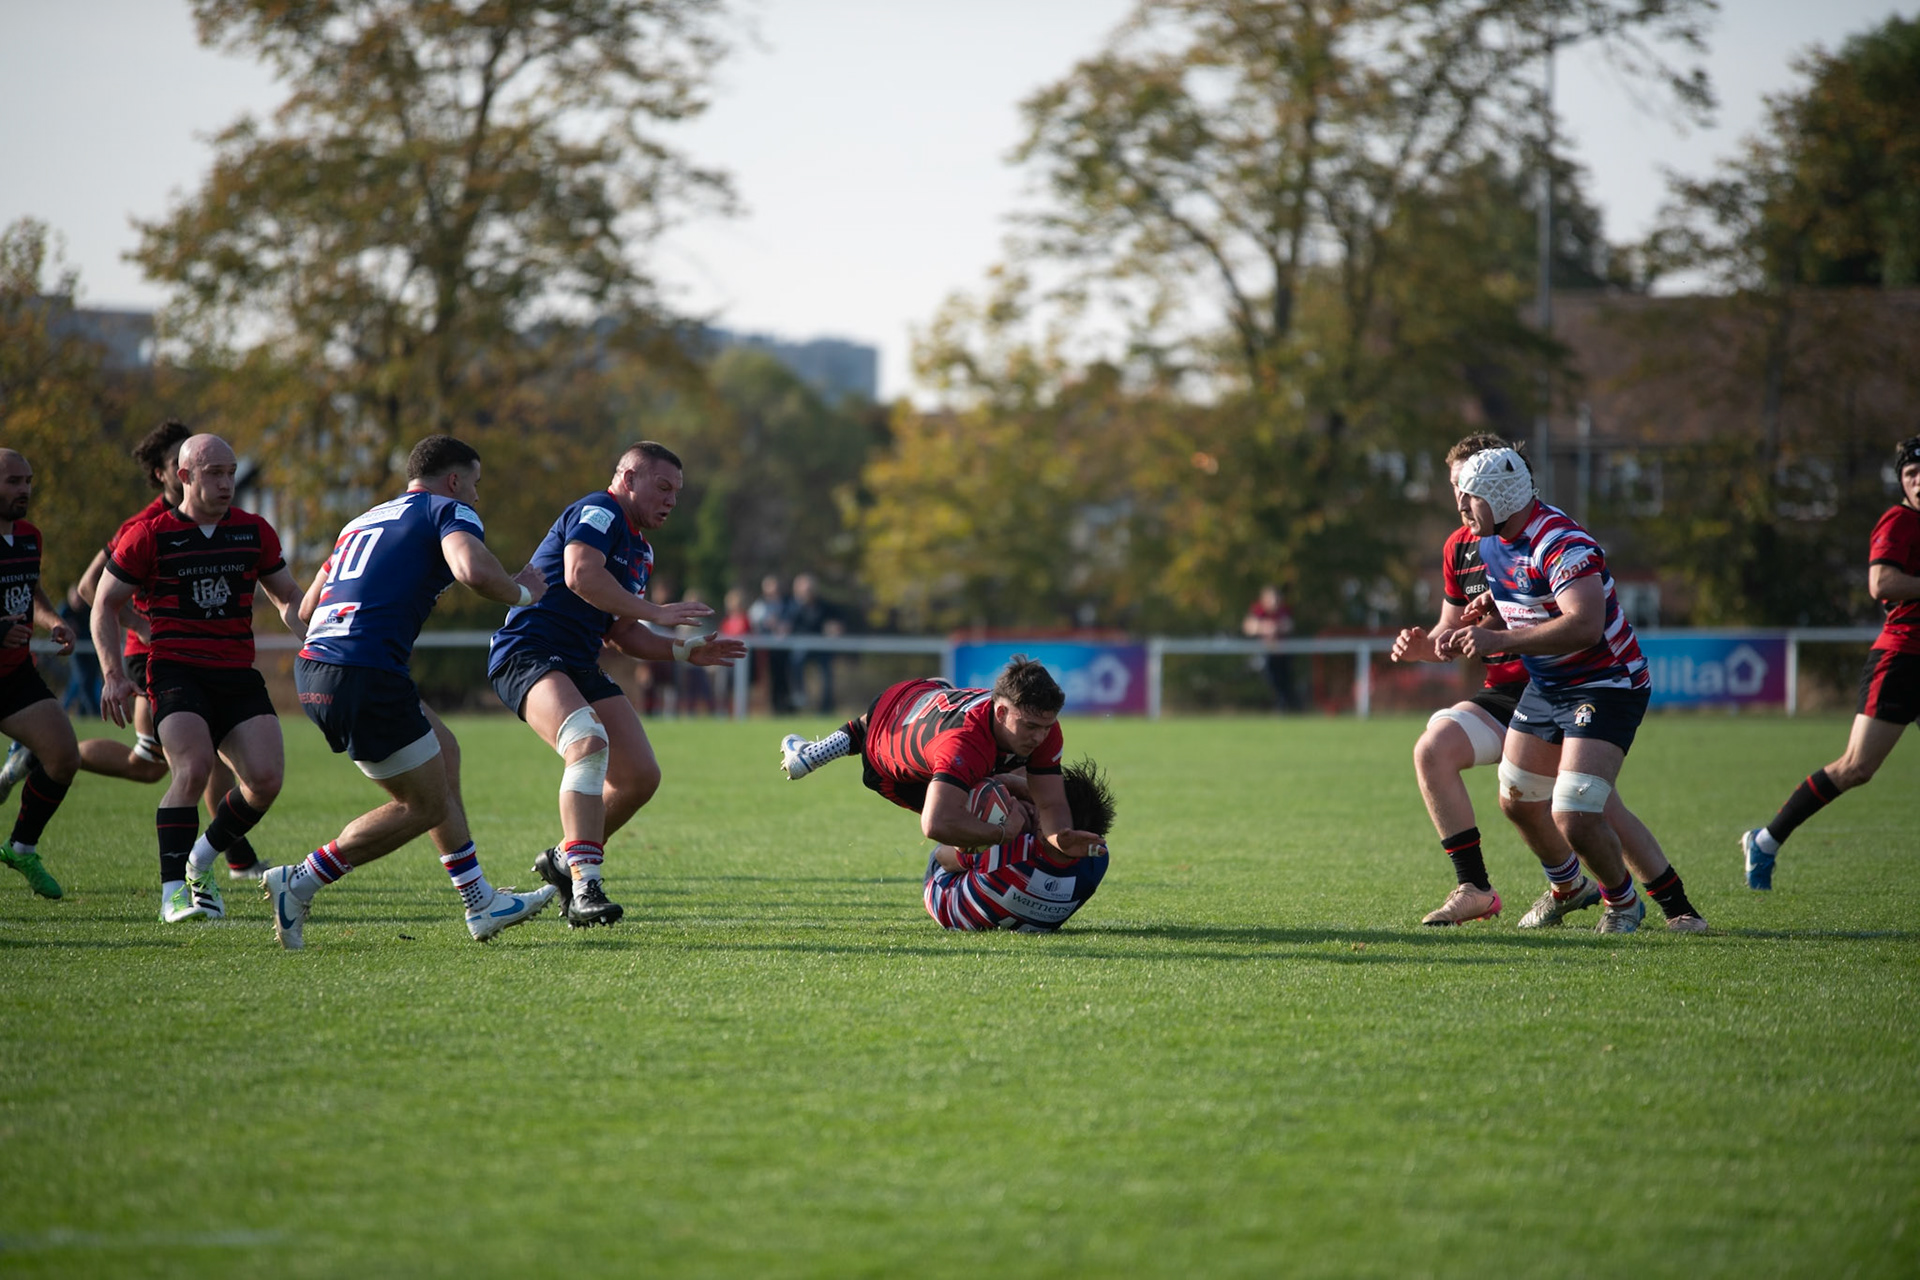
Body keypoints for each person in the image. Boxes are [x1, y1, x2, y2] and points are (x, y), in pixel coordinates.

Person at [1393, 435, 1706, 933]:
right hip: (1548, 684)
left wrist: (1497, 639)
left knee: (1578, 809)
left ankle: (1634, 905)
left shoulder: (1561, 542)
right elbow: (1519, 600)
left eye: (1468, 495)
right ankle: (1580, 890)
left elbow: (1584, 624)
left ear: (1498, 496)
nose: (1459, 506)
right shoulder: (1488, 541)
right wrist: (1478, 622)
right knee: (1517, 799)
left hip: (1605, 682)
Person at [262, 435, 557, 949]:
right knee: (424, 805)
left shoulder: (361, 521)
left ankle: (480, 902)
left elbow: (304, 613)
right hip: (364, 672)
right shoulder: (446, 510)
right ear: (453, 480)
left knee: (444, 754)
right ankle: (301, 879)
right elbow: (471, 570)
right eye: (475, 484)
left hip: (319, 668)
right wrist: (525, 590)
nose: (477, 498)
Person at [487, 442, 746, 927]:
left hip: (577, 663)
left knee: (639, 776)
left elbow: (622, 633)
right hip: (529, 652)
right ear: (628, 479)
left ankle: (565, 860)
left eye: (677, 492)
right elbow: (580, 575)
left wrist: (683, 650)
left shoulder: (640, 548)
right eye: (662, 487)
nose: (671, 500)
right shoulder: (599, 510)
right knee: (586, 742)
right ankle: (585, 885)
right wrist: (657, 611)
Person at [16, 421, 267, 880]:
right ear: (168, 474)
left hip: (191, 657)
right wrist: (140, 624)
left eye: (223, 470)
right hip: (148, 655)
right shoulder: (144, 526)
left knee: (150, 764)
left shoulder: (227, 523)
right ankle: (232, 859)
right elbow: (89, 589)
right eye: (182, 464)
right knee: (197, 756)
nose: (219, 480)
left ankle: (44, 753)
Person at [92, 434, 306, 924]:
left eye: (231, 472)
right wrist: (111, 674)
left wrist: (320, 634)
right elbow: (103, 602)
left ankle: (200, 860)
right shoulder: (149, 534)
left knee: (266, 780)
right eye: (214, 473)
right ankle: (174, 895)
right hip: (175, 670)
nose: (227, 482)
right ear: (183, 475)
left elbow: (287, 597)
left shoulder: (254, 531)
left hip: (236, 673)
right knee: (191, 769)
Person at [1742, 434, 1920, 888]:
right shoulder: (1899, 521)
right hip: (1902, 660)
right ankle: (1766, 840)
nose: (1918, 482)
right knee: (1857, 767)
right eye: (1911, 475)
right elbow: (1881, 583)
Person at [779, 656, 1108, 878]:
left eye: (1046, 726)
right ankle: (952, 873)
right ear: (1001, 713)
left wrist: (1058, 837)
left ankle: (810, 753)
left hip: (917, 696)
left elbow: (1050, 802)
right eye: (1030, 727)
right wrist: (998, 833)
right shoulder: (963, 745)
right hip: (888, 763)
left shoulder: (1037, 726)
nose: (1040, 737)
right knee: (994, 805)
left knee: (1021, 794)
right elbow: (935, 823)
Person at [0, 451, 82, 901]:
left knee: (64, 756)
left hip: (14, 678)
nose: (24, 490)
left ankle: (21, 847)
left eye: (28, 481)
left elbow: (29, 588)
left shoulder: (29, 537)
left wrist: (51, 620)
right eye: (14, 481)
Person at [923, 757, 1114, 932]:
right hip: (1014, 912)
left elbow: (943, 857)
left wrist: (999, 828)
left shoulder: (1005, 852)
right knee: (1022, 804)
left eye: (1045, 808)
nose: (1039, 807)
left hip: (948, 904)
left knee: (995, 804)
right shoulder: (1097, 860)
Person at [788, 572, 844, 714]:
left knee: (826, 671)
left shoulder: (825, 606)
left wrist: (834, 628)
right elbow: (788, 626)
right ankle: (798, 696)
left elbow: (836, 622)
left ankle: (826, 705)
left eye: (810, 590)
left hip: (821, 647)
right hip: (802, 647)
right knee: (796, 660)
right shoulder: (793, 608)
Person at [1242, 584, 1298, 711]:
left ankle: (1285, 706)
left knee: (1285, 680)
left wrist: (1277, 627)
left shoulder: (1284, 611)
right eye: (1271, 598)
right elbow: (1248, 627)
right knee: (1271, 678)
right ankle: (1280, 704)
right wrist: (1264, 627)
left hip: (1283, 653)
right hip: (1266, 653)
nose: (1274, 602)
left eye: (1276, 599)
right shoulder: (1259, 610)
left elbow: (1289, 625)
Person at [749, 573, 795, 713]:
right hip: (765, 651)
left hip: (785, 650)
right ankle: (771, 708)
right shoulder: (759, 605)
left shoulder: (788, 603)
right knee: (767, 680)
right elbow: (753, 622)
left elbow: (794, 620)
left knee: (784, 679)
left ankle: (786, 706)